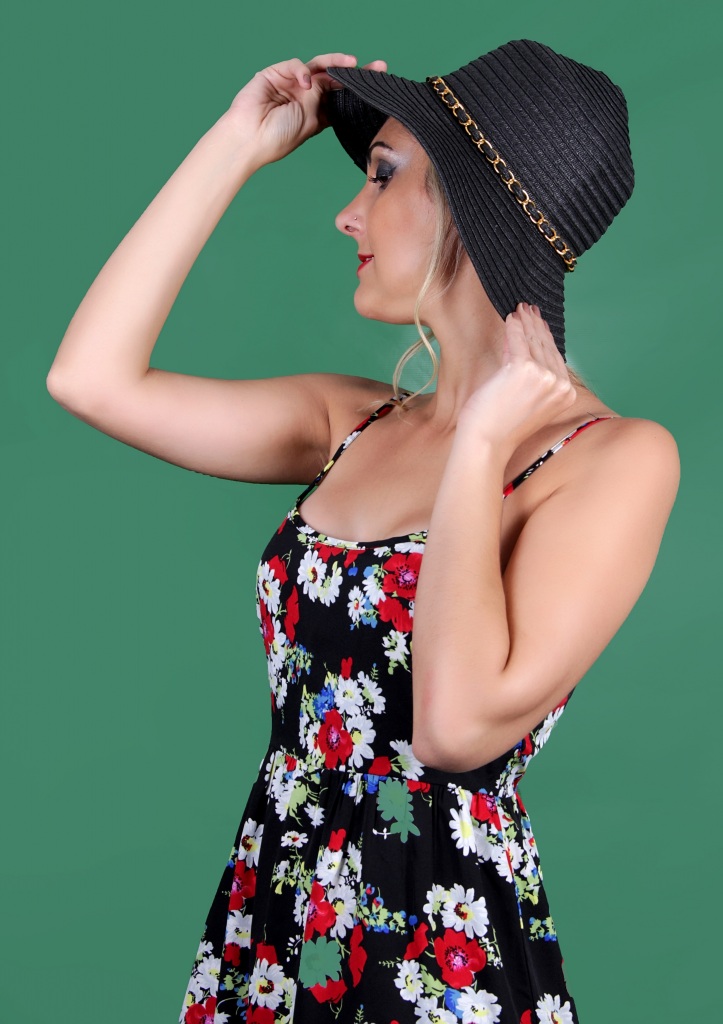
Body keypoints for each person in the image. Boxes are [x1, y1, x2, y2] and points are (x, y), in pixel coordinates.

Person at [46, 39, 679, 1024]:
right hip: (273, 923)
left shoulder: (613, 459)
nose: (347, 213)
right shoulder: (354, 422)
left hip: (436, 953)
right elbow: (88, 379)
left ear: (471, 204)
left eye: (381, 175)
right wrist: (236, 145)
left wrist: (479, 446)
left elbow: (454, 731)